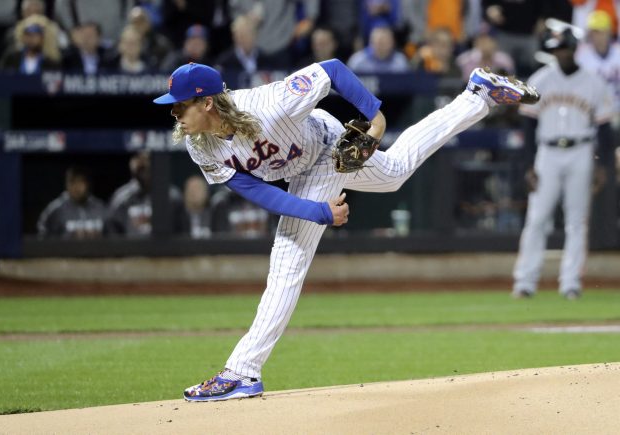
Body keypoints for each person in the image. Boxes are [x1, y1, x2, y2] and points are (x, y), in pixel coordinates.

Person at [153, 57, 539, 401]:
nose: (175, 115)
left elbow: (333, 69)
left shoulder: (271, 103)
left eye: (180, 106)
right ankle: (477, 95)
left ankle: (242, 372)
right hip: (298, 172)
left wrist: (376, 115)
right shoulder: (200, 144)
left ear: (206, 102)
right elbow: (255, 190)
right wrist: (316, 211)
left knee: (288, 259)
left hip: (324, 148)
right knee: (395, 174)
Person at [511, 27, 614, 300]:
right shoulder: (540, 80)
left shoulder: (593, 82)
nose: (562, 53)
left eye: (565, 48)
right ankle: (525, 282)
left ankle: (571, 283)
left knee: (577, 221)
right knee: (537, 218)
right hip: (547, 152)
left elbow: (604, 129)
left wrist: (602, 166)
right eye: (557, 49)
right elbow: (528, 126)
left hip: (580, 151)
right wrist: (527, 165)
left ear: (574, 48)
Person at [107, 151, 189, 236]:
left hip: (164, 249)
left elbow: (183, 232)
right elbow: (112, 233)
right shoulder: (121, 198)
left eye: (149, 161)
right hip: (129, 249)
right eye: (141, 166)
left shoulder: (173, 197)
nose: (146, 166)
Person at [37, 167, 107, 239]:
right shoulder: (56, 210)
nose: (76, 187)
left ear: (87, 184)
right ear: (66, 183)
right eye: (72, 182)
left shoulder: (100, 207)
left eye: (80, 181)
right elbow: (42, 236)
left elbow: (110, 236)